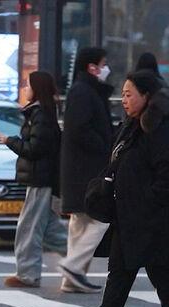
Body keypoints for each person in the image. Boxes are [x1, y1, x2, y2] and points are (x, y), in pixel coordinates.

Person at [69, 70, 169, 307]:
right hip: (131, 216)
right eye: (123, 94)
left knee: (162, 273)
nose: (124, 100)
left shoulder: (159, 130)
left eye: (129, 94)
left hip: (155, 218)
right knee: (124, 271)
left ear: (146, 96)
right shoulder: (133, 126)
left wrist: (146, 202)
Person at [0, 71, 67, 288]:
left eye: (27, 85)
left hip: (41, 178)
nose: (24, 89)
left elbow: (35, 149)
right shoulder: (40, 113)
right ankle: (78, 258)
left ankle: (28, 274)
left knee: (29, 227)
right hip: (41, 177)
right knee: (49, 229)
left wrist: (10, 141)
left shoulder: (41, 114)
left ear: (36, 89)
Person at [57, 47, 114, 293]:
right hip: (86, 169)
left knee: (79, 223)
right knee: (100, 219)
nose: (106, 69)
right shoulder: (84, 92)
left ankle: (71, 277)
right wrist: (105, 147)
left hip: (77, 169)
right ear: (92, 67)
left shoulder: (82, 90)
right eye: (103, 64)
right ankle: (73, 266)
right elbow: (81, 130)